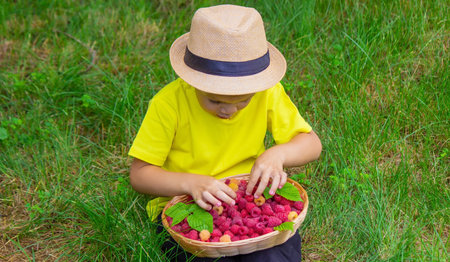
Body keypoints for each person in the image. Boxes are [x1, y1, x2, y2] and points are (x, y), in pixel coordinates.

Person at [128, 4, 322, 261]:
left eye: (243, 100)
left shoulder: (267, 92)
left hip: (249, 195)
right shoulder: (168, 104)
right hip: (188, 206)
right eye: (214, 100)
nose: (229, 110)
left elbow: (311, 144)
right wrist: (190, 183)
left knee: (273, 255)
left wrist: (277, 154)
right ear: (192, 80)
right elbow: (140, 175)